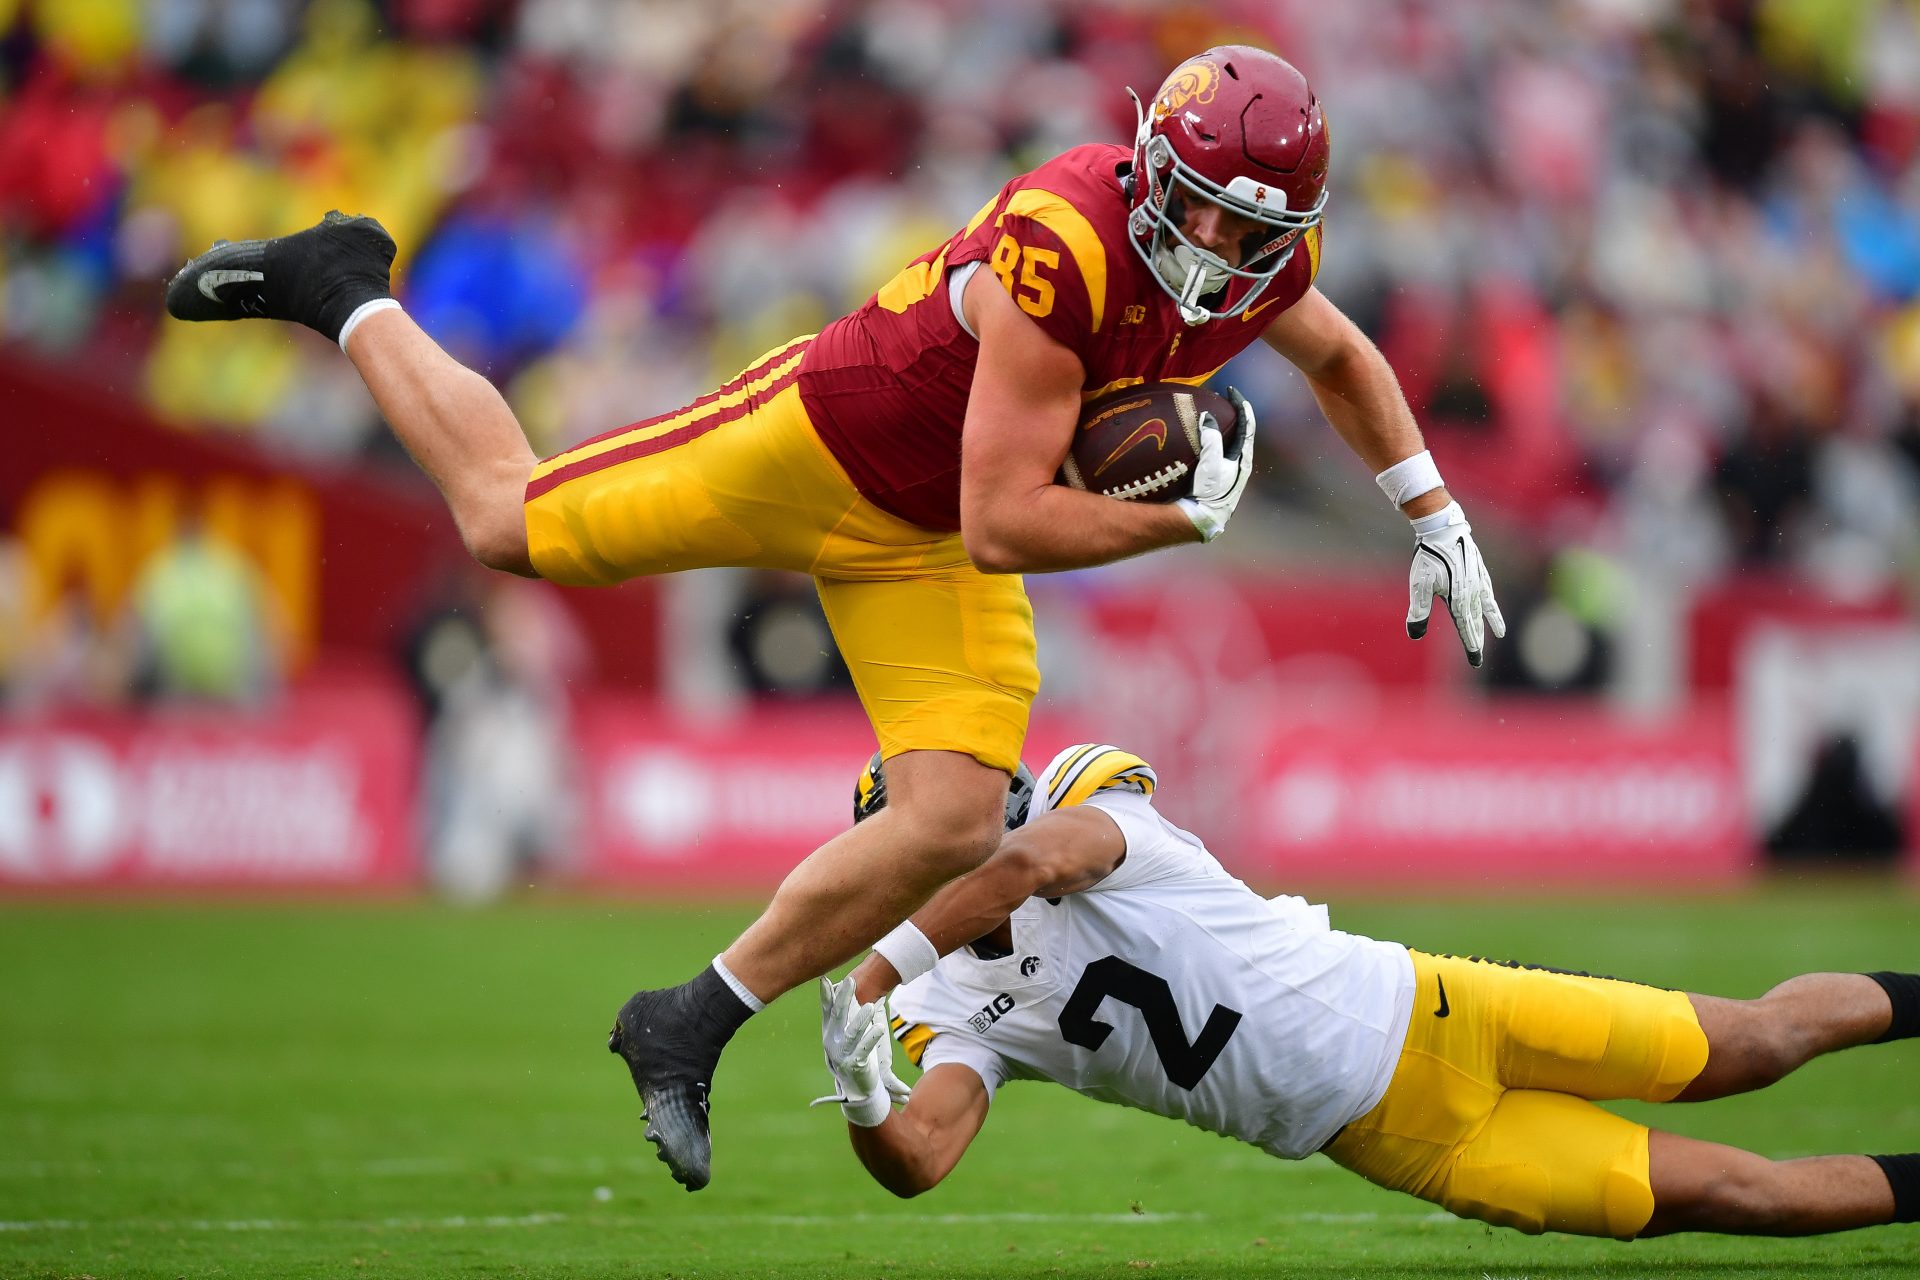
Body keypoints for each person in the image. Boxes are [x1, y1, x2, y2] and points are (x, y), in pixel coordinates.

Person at [163, 45, 1505, 1191]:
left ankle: (686, 1020)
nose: (1215, 249)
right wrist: (1177, 519)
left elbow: (1337, 353)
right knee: (508, 525)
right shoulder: (1069, 243)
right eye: (1199, 212)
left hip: (922, 543)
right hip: (822, 442)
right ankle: (344, 283)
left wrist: (1432, 508)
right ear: (1154, 169)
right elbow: (1006, 520)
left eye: (1246, 231)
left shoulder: (1267, 254)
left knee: (955, 817)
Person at [816, 744, 1920, 1240]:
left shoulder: (1079, 802)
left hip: (1441, 1006)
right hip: (1406, 1146)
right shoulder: (948, 1000)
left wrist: (874, 971)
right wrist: (868, 1098)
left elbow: (1030, 868)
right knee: (1743, 1196)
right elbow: (923, 1158)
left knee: (1756, 1043)